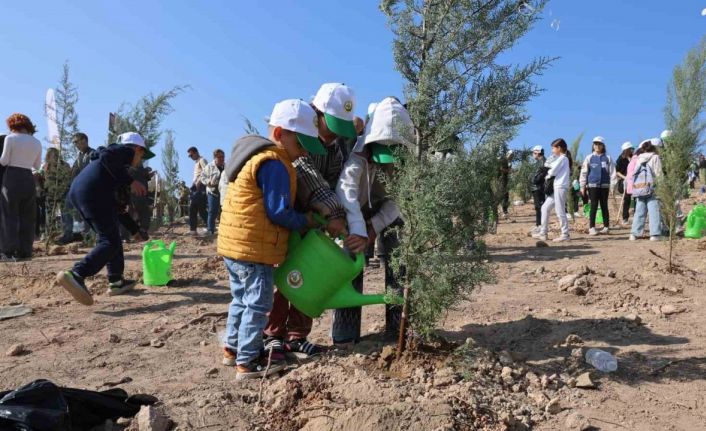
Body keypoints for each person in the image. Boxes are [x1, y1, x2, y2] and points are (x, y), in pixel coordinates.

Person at [217, 99, 320, 379]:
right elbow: (278, 213)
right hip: (254, 250)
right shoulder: (275, 163)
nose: (302, 154)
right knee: (259, 304)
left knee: (240, 299)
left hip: (235, 246)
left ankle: (232, 348)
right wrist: (306, 221)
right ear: (279, 135)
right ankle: (248, 362)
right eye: (300, 145)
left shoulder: (257, 157)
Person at [263, 83, 355, 359]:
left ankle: (297, 335)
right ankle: (272, 334)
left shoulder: (335, 147)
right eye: (331, 125)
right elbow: (306, 175)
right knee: (286, 275)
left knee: (310, 276)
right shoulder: (299, 134)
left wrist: (339, 216)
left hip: (316, 222)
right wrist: (332, 213)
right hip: (291, 218)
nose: (334, 133)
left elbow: (339, 182)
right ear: (317, 113)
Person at [333, 96, 412, 345]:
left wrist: (375, 225)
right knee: (350, 265)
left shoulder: (409, 162)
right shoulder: (358, 155)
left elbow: (399, 200)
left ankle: (396, 330)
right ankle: (345, 333)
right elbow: (346, 191)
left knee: (398, 265)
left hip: (390, 215)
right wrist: (359, 229)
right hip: (355, 212)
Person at [56, 132, 152, 305]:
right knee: (110, 241)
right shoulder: (123, 151)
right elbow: (108, 154)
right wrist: (132, 181)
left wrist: (134, 230)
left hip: (82, 194)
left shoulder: (116, 170)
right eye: (142, 154)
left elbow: (119, 209)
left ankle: (116, 281)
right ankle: (77, 274)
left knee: (111, 236)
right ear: (137, 149)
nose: (141, 159)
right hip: (92, 194)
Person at [0, 114, 42, 261]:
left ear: (13, 125)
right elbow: (37, 166)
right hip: (28, 177)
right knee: (27, 217)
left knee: (9, 216)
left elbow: (4, 161)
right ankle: (26, 251)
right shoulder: (37, 142)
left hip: (12, 176)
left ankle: (8, 252)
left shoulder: (10, 138)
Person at [58, 133, 96, 244]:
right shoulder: (79, 156)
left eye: (76, 141)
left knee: (87, 213)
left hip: (87, 189)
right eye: (74, 142)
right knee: (67, 210)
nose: (75, 144)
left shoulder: (92, 154)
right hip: (75, 189)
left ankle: (89, 237)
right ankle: (68, 234)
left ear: (84, 140)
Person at [533, 138, 572, 242]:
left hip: (560, 186)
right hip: (556, 187)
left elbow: (553, 171)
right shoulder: (560, 158)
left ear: (559, 148)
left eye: (553, 148)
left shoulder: (563, 158)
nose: (552, 150)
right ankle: (543, 233)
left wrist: (547, 174)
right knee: (545, 208)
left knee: (560, 211)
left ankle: (565, 234)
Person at [579, 136, 615, 235]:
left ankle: (606, 227)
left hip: (604, 186)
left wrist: (613, 187)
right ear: (593, 145)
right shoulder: (589, 157)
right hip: (592, 186)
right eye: (595, 144)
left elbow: (612, 173)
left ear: (603, 146)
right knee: (593, 205)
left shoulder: (607, 158)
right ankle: (592, 227)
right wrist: (582, 186)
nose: (597, 146)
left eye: (599, 144)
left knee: (604, 206)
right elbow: (584, 173)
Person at [629, 139, 663, 241]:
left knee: (639, 212)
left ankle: (634, 234)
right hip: (652, 188)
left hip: (640, 188)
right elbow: (658, 173)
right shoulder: (655, 157)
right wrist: (662, 187)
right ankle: (655, 234)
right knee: (654, 212)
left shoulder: (639, 158)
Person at [40, 147, 72, 239]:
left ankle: (67, 234)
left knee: (66, 214)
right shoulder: (45, 166)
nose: (52, 157)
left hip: (63, 193)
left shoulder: (64, 165)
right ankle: (49, 235)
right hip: (50, 194)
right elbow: (44, 180)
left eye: (54, 155)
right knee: (49, 216)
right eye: (50, 155)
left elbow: (67, 179)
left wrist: (61, 190)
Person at [201, 149, 225, 235]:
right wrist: (208, 182)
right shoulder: (209, 167)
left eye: (223, 157)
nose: (222, 159)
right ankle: (210, 230)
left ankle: (224, 230)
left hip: (224, 193)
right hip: (213, 192)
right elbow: (202, 177)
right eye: (219, 157)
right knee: (212, 211)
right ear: (215, 158)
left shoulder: (227, 166)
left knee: (224, 211)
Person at [187, 146, 208, 235]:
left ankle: (209, 227)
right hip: (196, 188)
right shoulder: (196, 162)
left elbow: (206, 170)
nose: (190, 157)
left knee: (196, 208)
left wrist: (199, 180)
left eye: (191, 155)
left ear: (196, 152)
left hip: (200, 188)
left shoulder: (202, 160)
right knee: (198, 208)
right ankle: (194, 229)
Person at [615, 141, 634, 225]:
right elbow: (617, 171)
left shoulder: (634, 157)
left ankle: (635, 215)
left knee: (636, 198)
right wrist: (625, 178)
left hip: (634, 181)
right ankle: (625, 218)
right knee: (626, 198)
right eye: (630, 149)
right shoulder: (621, 159)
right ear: (626, 150)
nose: (632, 150)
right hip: (624, 182)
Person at [530, 145, 546, 233]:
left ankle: (540, 225)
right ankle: (538, 224)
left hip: (539, 187)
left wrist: (534, 180)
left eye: (533, 153)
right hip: (536, 187)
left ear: (537, 152)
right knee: (537, 207)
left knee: (539, 207)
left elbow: (541, 175)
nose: (533, 154)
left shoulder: (543, 161)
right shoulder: (539, 161)